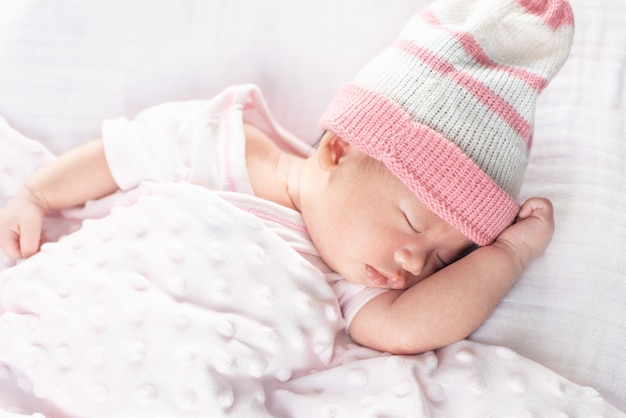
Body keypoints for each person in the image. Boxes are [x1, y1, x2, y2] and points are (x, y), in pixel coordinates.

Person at [0, 0, 573, 355]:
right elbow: (119, 154)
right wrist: (37, 193)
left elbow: (405, 332)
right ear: (340, 149)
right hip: (82, 312)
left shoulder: (352, 277)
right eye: (410, 222)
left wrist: (509, 256)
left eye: (442, 260)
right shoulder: (223, 145)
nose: (413, 264)